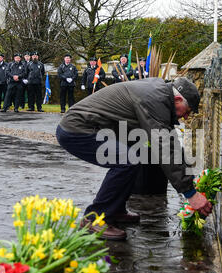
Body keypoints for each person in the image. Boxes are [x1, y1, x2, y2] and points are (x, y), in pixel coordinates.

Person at [56, 77, 212, 240]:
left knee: (133, 158)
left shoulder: (159, 94)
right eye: (186, 112)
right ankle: (94, 219)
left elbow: (170, 142)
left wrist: (190, 180)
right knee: (127, 161)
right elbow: (165, 147)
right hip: (77, 129)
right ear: (178, 99)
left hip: (91, 127)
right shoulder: (155, 99)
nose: (186, 117)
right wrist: (191, 194)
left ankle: (114, 209)